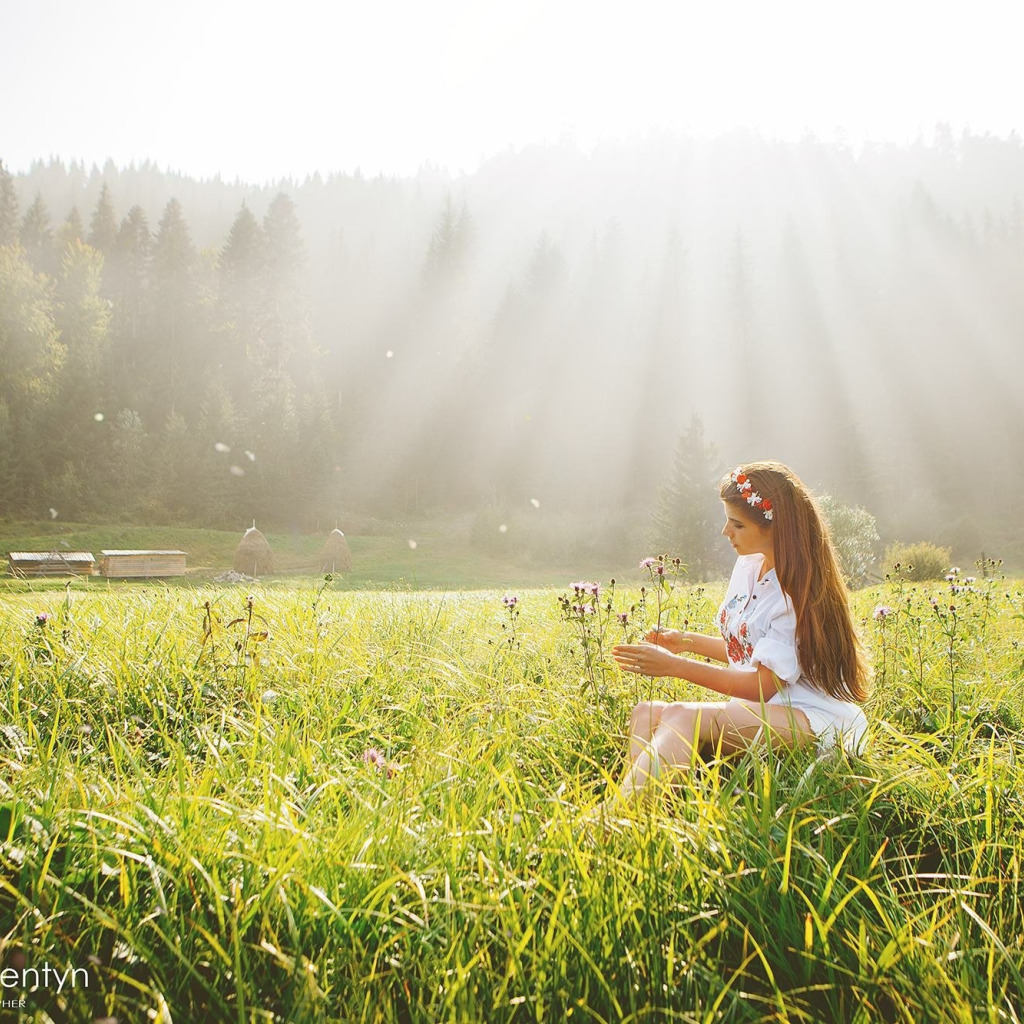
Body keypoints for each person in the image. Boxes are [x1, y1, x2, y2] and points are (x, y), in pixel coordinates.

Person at [609, 460, 869, 805]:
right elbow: (748, 650)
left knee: (681, 715)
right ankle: (642, 815)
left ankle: (613, 821)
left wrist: (674, 666)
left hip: (811, 719)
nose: (725, 532)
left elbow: (761, 686)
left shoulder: (795, 592)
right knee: (645, 711)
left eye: (737, 524)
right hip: (766, 709)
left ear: (776, 529)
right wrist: (685, 642)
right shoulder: (749, 564)